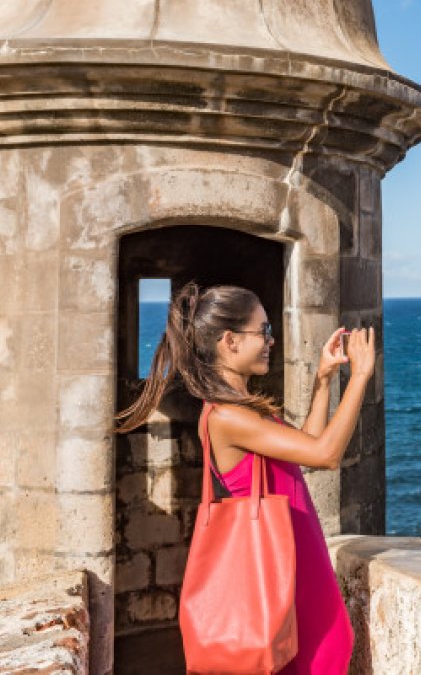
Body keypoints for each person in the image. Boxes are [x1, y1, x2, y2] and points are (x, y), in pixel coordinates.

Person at [116, 281, 375, 675]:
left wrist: (324, 380)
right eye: (264, 331)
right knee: (327, 650)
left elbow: (305, 448)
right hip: (287, 563)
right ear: (230, 341)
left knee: (326, 649)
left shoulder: (239, 409)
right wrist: (360, 377)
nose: (271, 340)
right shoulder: (227, 416)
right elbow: (327, 455)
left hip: (294, 558)